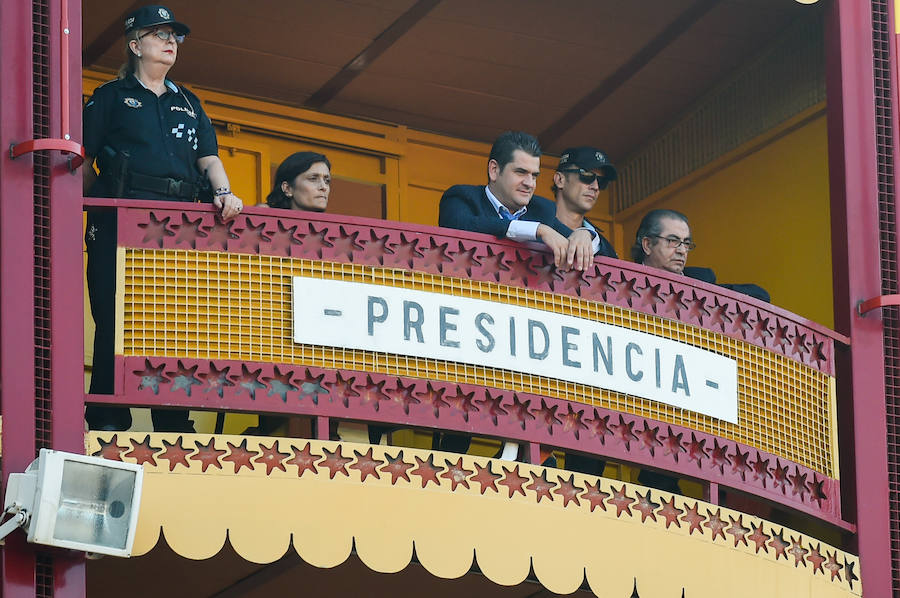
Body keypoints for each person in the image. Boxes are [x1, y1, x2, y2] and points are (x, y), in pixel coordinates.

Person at [83, 5, 243, 432]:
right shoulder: (110, 96)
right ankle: (106, 414)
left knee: (173, 317)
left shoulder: (188, 101)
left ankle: (172, 420)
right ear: (136, 45)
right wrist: (97, 204)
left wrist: (224, 192)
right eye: (158, 34)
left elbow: (209, 158)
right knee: (114, 315)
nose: (170, 41)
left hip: (179, 224)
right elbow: (82, 157)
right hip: (121, 220)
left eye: (174, 35)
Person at [439, 131, 597, 271]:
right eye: (521, 172)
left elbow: (602, 254)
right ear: (494, 170)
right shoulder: (461, 196)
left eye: (534, 176)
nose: (530, 183)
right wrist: (537, 230)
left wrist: (585, 234)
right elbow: (461, 224)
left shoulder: (542, 210)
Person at [632, 209, 770, 301]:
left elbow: (761, 295)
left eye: (686, 243)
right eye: (672, 241)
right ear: (648, 245)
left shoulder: (701, 280)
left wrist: (700, 292)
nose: (682, 250)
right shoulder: (626, 283)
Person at [551, 146, 618, 259]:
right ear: (560, 180)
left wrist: (588, 234)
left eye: (601, 182)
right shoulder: (533, 225)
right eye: (587, 176)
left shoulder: (605, 248)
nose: (595, 187)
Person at [266, 151, 331, 211]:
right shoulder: (264, 220)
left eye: (327, 181)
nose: (323, 187)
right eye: (313, 179)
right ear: (287, 188)